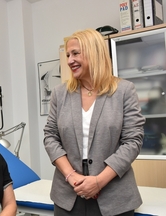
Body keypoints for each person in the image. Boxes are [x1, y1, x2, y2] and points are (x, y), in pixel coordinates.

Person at [43, 29, 145, 216]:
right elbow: (50, 136)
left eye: (75, 53)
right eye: (67, 55)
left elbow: (132, 141)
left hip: (114, 197)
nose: (69, 60)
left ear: (94, 52)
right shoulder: (60, 93)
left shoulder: (124, 90)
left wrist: (99, 181)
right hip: (68, 196)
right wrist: (71, 175)